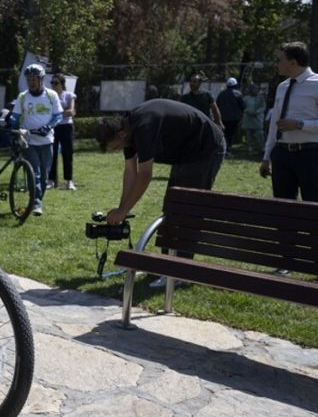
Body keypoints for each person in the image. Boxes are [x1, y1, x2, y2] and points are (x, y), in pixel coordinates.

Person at [96, 99, 226, 287]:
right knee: (172, 208)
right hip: (186, 153)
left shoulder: (144, 127)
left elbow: (145, 176)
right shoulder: (128, 128)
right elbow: (131, 172)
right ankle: (167, 266)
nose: (118, 150)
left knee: (187, 210)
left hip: (206, 147)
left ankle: (180, 272)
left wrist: (123, 210)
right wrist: (120, 208)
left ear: (122, 134)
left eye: (116, 146)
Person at [259, 41, 318, 283]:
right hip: (283, 154)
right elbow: (275, 122)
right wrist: (267, 156)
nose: (277, 63)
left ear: (293, 62)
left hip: (310, 154)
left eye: (280, 59)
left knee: (314, 210)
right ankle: (286, 262)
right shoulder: (283, 87)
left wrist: (301, 125)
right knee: (284, 210)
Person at [11, 64, 63, 216]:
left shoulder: (51, 95)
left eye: (34, 79)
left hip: (47, 140)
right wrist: (13, 126)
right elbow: (15, 116)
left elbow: (58, 115)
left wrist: (48, 127)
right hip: (28, 140)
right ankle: (36, 203)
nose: (31, 82)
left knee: (45, 175)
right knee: (35, 173)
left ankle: (36, 199)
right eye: (29, 80)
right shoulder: (22, 97)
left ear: (41, 80)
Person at [48, 74, 77, 191]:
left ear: (62, 84)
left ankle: (69, 181)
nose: (53, 85)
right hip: (54, 127)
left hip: (66, 127)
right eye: (52, 83)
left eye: (56, 83)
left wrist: (57, 113)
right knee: (52, 154)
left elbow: (71, 112)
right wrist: (62, 112)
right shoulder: (50, 97)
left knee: (67, 153)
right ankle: (51, 180)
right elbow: (48, 112)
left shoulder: (69, 95)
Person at [216, 77, 245, 156]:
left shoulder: (221, 94)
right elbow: (243, 105)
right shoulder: (238, 94)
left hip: (223, 118)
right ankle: (227, 149)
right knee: (230, 134)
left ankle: (224, 148)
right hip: (234, 119)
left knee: (224, 134)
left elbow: (217, 105)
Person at [241, 83, 266, 156]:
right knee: (249, 136)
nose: (255, 90)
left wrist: (257, 112)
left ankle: (262, 149)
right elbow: (242, 106)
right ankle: (250, 149)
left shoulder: (260, 98)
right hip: (248, 119)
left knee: (260, 135)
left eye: (256, 89)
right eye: (253, 89)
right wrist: (247, 111)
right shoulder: (246, 98)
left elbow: (263, 107)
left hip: (257, 119)